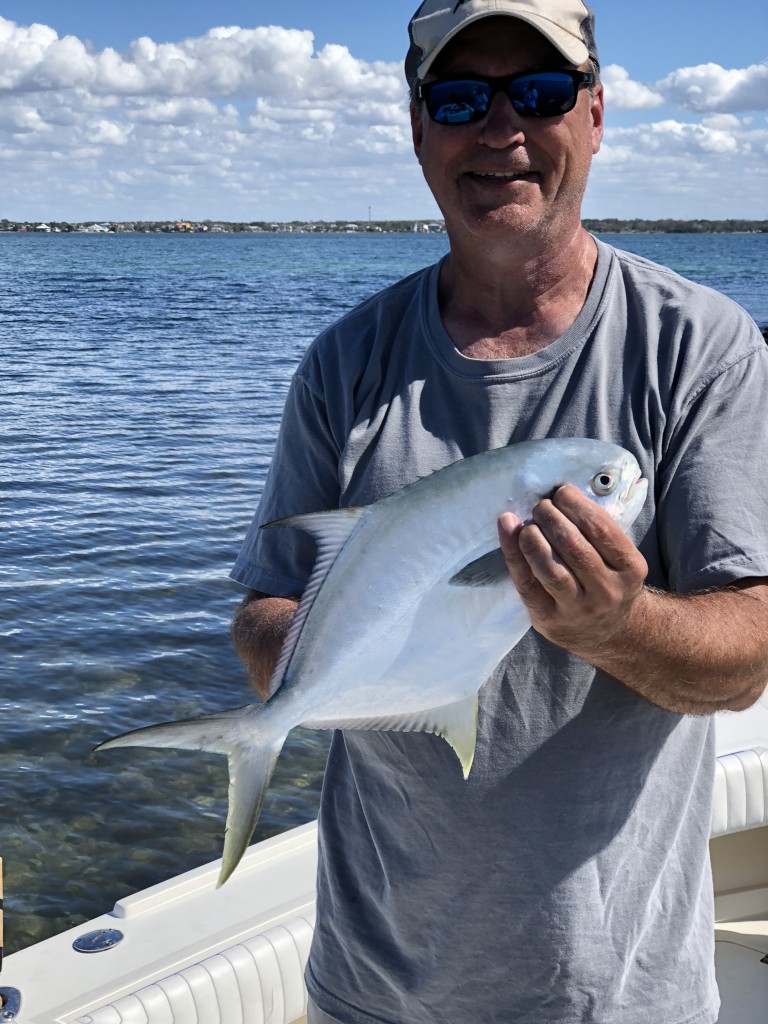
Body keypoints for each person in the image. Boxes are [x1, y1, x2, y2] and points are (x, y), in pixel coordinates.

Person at [230, 2, 768, 1021]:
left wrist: (618, 623)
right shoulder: (345, 365)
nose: (502, 129)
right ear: (419, 128)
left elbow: (746, 656)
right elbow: (263, 613)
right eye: (463, 97)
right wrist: (332, 660)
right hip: (369, 988)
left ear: (597, 114)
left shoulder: (702, 349)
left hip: (617, 995)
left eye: (542, 91)